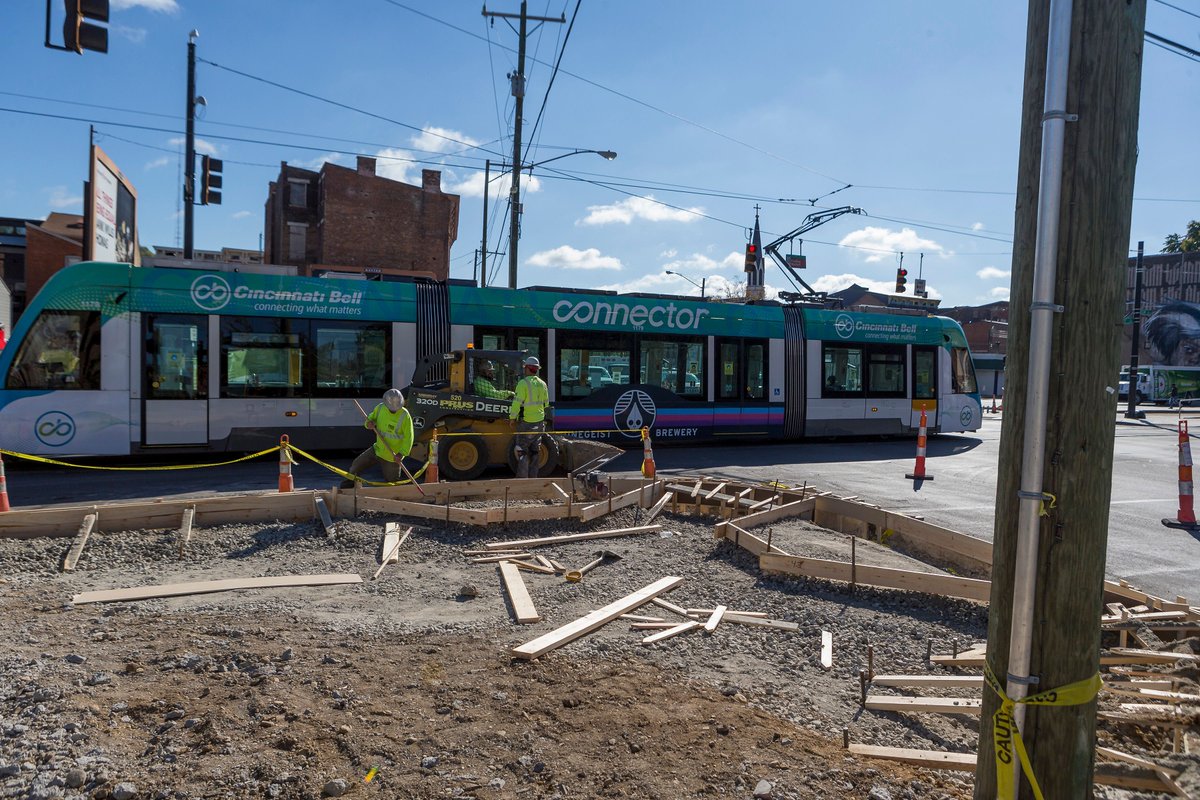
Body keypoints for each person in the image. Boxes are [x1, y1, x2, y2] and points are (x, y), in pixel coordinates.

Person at [341, 388, 414, 488]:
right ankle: (347, 488)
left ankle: (393, 498)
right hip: (377, 449)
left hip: (392, 456)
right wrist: (369, 424)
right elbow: (370, 419)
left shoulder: (405, 415)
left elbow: (409, 438)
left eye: (396, 408)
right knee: (356, 466)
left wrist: (401, 454)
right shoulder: (380, 408)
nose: (393, 410)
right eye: (391, 408)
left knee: (392, 483)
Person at [509, 356, 550, 478]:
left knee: (521, 451)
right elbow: (546, 404)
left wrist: (512, 418)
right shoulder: (543, 384)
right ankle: (533, 479)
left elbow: (516, 403)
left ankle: (522, 480)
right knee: (535, 452)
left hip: (527, 423)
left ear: (527, 368)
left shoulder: (523, 384)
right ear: (537, 369)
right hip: (540, 424)